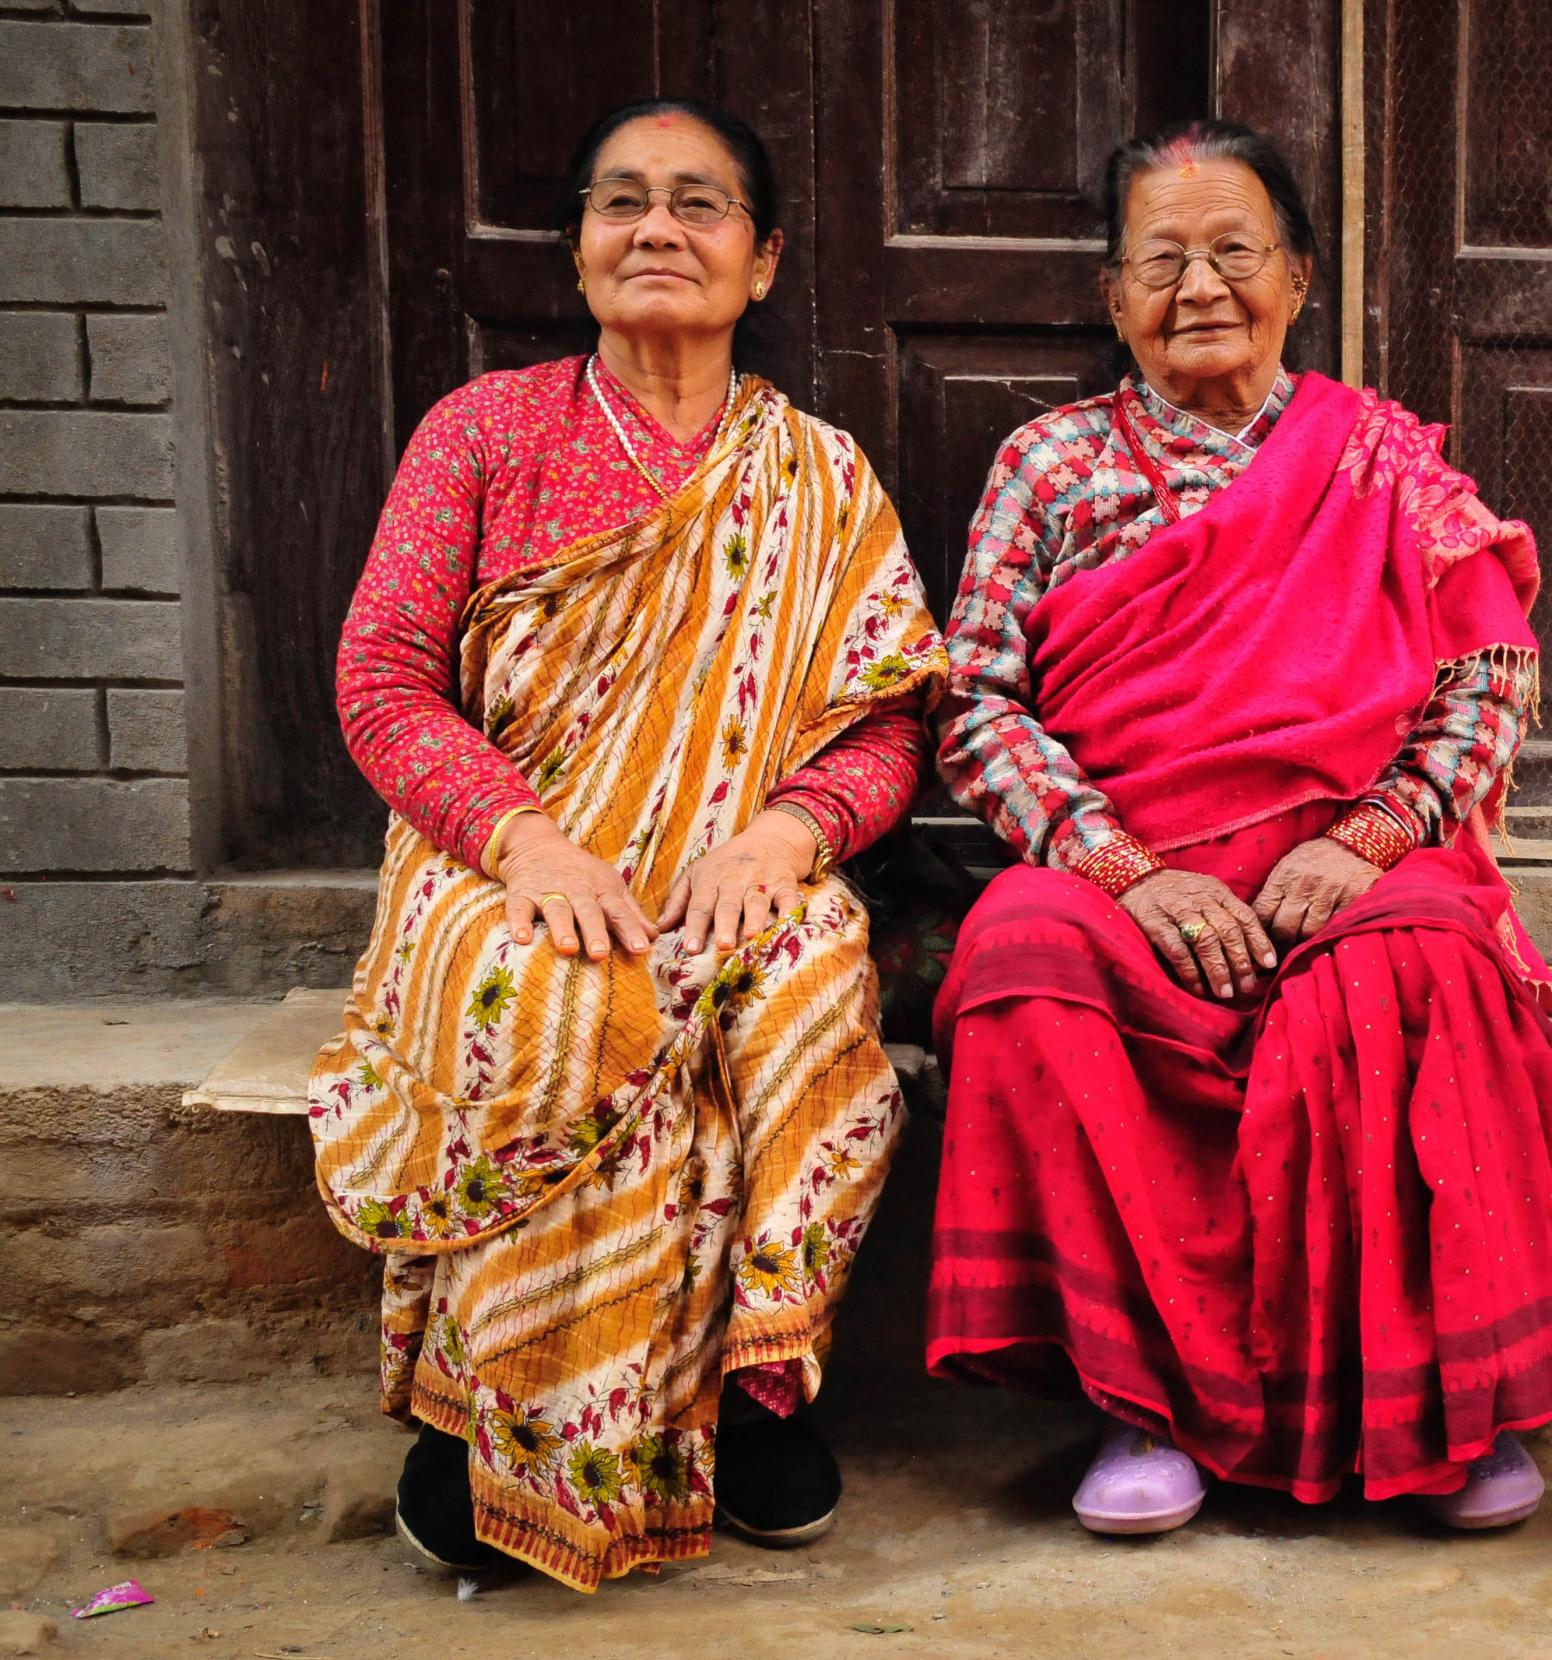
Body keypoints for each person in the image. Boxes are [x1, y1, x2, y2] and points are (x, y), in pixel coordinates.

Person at [925, 120, 1552, 1534]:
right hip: (1125, 870)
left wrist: (1368, 838)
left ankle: (1446, 1409)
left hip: (1338, 859)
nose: (1201, 287)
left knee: (1422, 959)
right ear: (1113, 297)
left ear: (1298, 278)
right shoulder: (1049, 466)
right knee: (1018, 955)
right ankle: (1141, 1409)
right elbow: (977, 703)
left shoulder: (1376, 455)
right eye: (1162, 260)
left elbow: (1484, 676)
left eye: (1234, 251)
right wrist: (1122, 871)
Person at [310, 97, 943, 1591]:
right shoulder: (484, 432)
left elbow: (890, 725)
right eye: (623, 204)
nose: (658, 228)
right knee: (563, 998)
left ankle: (748, 1390)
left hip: (737, 856)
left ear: (765, 259)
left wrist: (793, 831)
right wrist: (522, 845)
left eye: (700, 204)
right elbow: (381, 676)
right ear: (583, 252)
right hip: (505, 854)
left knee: (804, 985)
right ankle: (505, 1424)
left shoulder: (821, 476)